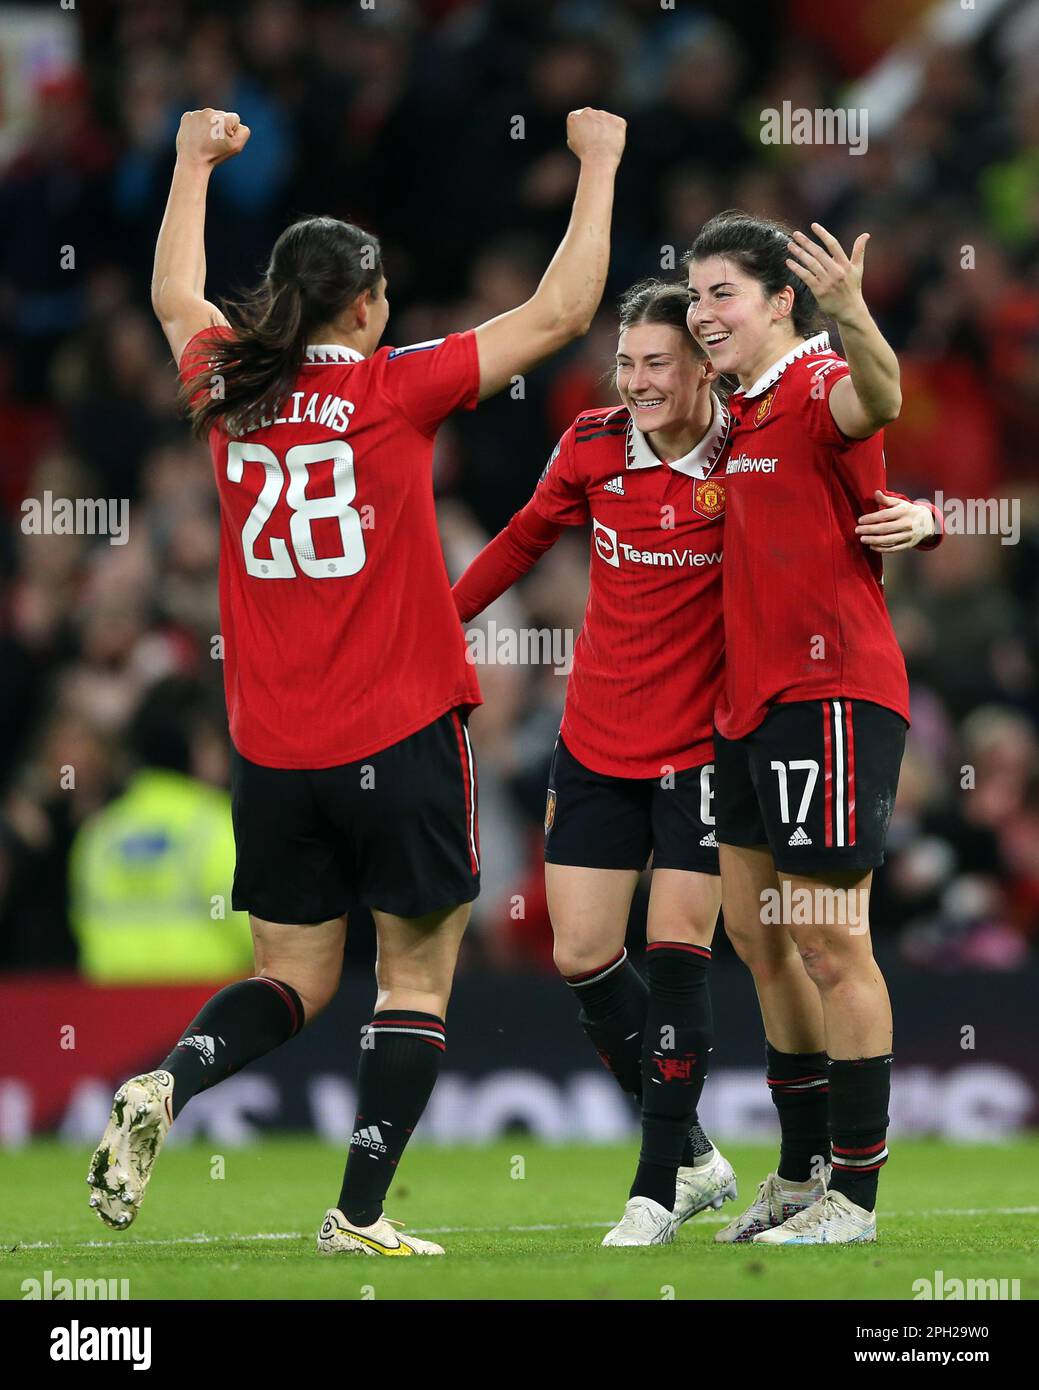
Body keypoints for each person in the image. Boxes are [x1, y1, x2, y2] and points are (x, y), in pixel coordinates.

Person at [87, 103, 627, 1258]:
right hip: (400, 732)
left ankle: (171, 1081)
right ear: (368, 305)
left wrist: (186, 164)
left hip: (275, 753)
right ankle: (359, 1215)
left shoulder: (226, 385)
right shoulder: (397, 387)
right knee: (415, 982)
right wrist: (599, 163)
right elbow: (565, 310)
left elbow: (173, 296)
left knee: (290, 977)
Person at [451, 278, 938, 1246]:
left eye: (657, 361)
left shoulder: (752, 434)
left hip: (717, 734)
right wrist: (434, 628)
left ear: (704, 366)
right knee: (606, 952)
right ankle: (733, 1164)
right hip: (602, 734)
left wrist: (923, 516)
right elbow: (520, 539)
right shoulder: (591, 443)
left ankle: (680, 1179)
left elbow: (851, 473)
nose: (636, 380)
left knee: (740, 947)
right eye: (624, 362)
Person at [685, 209, 937, 1245]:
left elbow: (875, 397)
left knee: (832, 939)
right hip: (746, 707)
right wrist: (917, 513)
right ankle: (797, 1173)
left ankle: (855, 1200)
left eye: (721, 294)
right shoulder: (735, 415)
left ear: (781, 301)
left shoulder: (811, 384)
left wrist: (854, 314)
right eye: (695, 294)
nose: (703, 313)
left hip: (828, 698)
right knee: (757, 937)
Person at [70, 677, 253, 983]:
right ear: (198, 744)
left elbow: (82, 932)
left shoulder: (99, 833)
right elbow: (266, 942)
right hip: (209, 1016)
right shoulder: (220, 827)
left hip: (111, 1017)